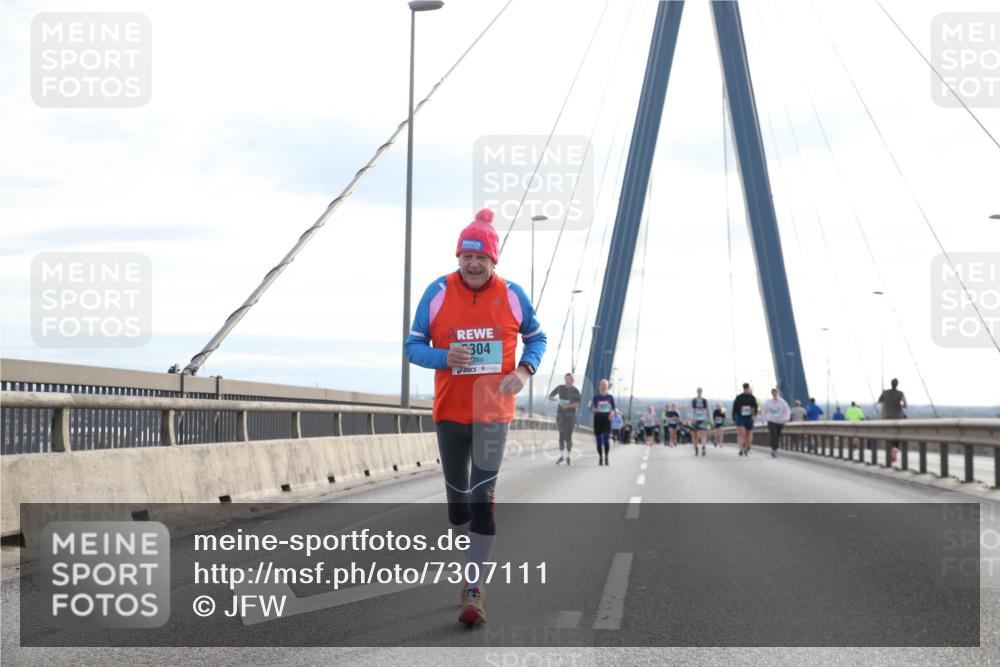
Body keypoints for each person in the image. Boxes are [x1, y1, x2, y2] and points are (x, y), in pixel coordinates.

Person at [405, 208, 546, 627]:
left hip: (492, 413)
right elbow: (412, 347)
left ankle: (473, 585)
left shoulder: (513, 295)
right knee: (458, 504)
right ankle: (469, 569)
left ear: (493, 260)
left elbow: (536, 338)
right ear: (458, 257)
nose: (472, 263)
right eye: (466, 256)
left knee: (482, 499)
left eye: (480, 257)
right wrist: (443, 357)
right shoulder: (437, 291)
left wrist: (524, 370)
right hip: (450, 412)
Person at [548, 373, 581, 465]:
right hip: (560, 415)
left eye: (569, 379)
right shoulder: (560, 388)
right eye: (566, 379)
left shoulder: (575, 391)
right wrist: (557, 400)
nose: (567, 381)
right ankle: (562, 456)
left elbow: (578, 404)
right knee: (561, 436)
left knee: (568, 437)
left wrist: (568, 406)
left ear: (572, 380)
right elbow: (550, 397)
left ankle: (568, 456)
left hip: (570, 416)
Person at [591, 379, 615, 465]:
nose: (604, 386)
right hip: (598, 420)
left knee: (606, 440)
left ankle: (607, 457)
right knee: (599, 441)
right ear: (599, 386)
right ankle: (600, 458)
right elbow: (590, 408)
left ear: (607, 386)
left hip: (607, 420)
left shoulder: (610, 397)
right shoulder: (595, 397)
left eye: (605, 385)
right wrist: (595, 409)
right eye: (602, 384)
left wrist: (612, 413)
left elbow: (613, 408)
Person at [762, 388, 791, 458]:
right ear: (772, 394)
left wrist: (785, 419)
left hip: (780, 422)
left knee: (777, 436)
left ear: (778, 393)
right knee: (773, 435)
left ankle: (776, 449)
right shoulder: (768, 402)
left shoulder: (782, 402)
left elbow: (787, 411)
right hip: (771, 421)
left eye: (775, 393)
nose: (774, 394)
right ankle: (774, 450)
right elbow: (764, 411)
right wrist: (764, 420)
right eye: (773, 393)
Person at [732, 383, 758, 457]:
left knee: (748, 434)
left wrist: (754, 415)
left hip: (749, 418)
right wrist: (734, 417)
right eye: (746, 389)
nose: (747, 390)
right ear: (744, 389)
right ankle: (741, 449)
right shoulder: (739, 397)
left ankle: (746, 448)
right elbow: (734, 408)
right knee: (742, 434)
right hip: (741, 418)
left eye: (748, 388)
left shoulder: (752, 397)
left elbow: (755, 408)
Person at [689, 387, 710, 456]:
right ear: (697, 392)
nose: (699, 392)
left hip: (703, 419)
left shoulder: (704, 400)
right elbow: (691, 410)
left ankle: (703, 447)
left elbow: (708, 410)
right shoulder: (694, 400)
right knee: (695, 435)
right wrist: (691, 419)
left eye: (700, 391)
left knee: (703, 434)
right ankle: (696, 448)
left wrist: (709, 419)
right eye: (698, 391)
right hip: (695, 419)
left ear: (702, 392)